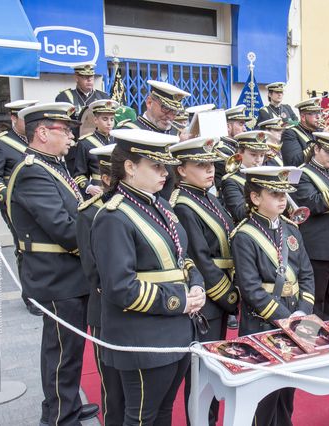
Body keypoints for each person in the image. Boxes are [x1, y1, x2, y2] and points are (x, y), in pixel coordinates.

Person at [91, 128, 206, 425]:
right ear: (130, 167)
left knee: (164, 411)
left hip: (176, 332)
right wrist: (180, 301)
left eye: (164, 166)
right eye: (155, 166)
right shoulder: (113, 217)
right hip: (143, 336)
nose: (164, 173)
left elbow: (182, 257)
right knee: (141, 416)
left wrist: (196, 285)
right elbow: (120, 287)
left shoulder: (160, 206)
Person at [8, 102, 99, 425]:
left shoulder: (52, 165)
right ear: (43, 133)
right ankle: (60, 415)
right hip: (57, 277)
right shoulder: (33, 171)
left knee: (71, 350)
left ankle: (68, 403)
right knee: (62, 352)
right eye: (66, 131)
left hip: (68, 274)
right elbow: (63, 228)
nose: (73, 138)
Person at [230, 165, 315, 426]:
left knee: (288, 391)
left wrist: (304, 313)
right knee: (263, 397)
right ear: (255, 198)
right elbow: (251, 290)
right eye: (274, 194)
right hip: (263, 321)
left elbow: (307, 274)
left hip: (297, 317)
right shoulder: (243, 236)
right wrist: (288, 319)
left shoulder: (290, 228)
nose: (282, 199)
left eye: (284, 194)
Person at [168, 136, 239, 426]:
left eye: (211, 164)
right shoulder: (184, 204)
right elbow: (200, 259)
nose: (210, 170)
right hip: (208, 297)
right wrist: (231, 297)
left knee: (214, 369)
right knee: (201, 374)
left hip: (221, 292)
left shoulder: (206, 195)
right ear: (182, 169)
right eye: (201, 165)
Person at [75, 143, 125, 425]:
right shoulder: (91, 212)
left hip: (137, 313)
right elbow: (94, 270)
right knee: (113, 390)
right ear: (106, 179)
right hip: (106, 310)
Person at [0, 99, 41, 316]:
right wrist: (6, 198)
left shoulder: (38, 139)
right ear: (13, 118)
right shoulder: (2, 143)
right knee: (25, 248)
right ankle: (31, 297)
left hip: (41, 202)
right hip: (15, 205)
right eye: (26, 117)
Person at [294, 132, 329, 320]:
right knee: (315, 300)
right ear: (316, 149)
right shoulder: (302, 173)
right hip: (318, 247)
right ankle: (310, 342)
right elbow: (311, 203)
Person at [119, 80, 191, 199]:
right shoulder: (129, 131)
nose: (170, 116)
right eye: (165, 108)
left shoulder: (174, 133)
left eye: (174, 112)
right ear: (149, 102)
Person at [55, 63, 110, 174]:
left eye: (91, 77)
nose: (89, 80)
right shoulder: (65, 97)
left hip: (98, 146)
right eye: (85, 77)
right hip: (75, 148)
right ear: (76, 77)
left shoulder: (103, 97)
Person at [73, 99, 120, 198]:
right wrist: (89, 187)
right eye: (105, 119)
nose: (109, 123)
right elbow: (79, 175)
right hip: (98, 190)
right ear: (95, 120)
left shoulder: (118, 140)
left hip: (119, 188)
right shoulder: (85, 142)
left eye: (112, 119)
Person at [221, 131, 269, 223]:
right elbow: (239, 213)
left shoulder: (264, 175)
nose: (258, 160)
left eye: (262, 155)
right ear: (240, 153)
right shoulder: (231, 181)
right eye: (253, 154)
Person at [280, 97, 322, 166]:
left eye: (319, 112)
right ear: (303, 117)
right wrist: (321, 141)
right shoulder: (290, 133)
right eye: (314, 113)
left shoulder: (321, 131)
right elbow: (293, 162)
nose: (318, 117)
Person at [213, 105, 247, 188]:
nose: (245, 129)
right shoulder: (221, 148)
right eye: (241, 124)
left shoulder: (235, 146)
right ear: (228, 127)